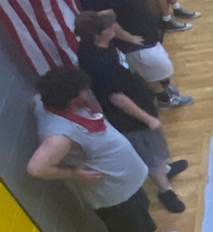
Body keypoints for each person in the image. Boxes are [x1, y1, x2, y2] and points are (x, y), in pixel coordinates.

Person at [27, 66, 183, 232]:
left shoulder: (48, 102)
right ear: (71, 98)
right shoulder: (58, 136)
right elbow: (36, 168)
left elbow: (35, 100)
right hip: (111, 193)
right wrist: (73, 172)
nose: (87, 91)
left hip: (126, 179)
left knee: (140, 213)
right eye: (82, 90)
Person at [76, 12, 188, 213]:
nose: (113, 28)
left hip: (139, 101)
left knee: (153, 144)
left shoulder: (97, 47)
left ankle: (165, 169)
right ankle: (165, 191)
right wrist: (147, 119)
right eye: (109, 27)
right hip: (129, 117)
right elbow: (117, 98)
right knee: (148, 150)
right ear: (98, 34)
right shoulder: (98, 63)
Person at [71, 0, 193, 110]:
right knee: (153, 66)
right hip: (132, 37)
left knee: (158, 65)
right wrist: (130, 38)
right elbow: (107, 20)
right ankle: (164, 98)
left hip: (142, 27)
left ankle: (165, 88)